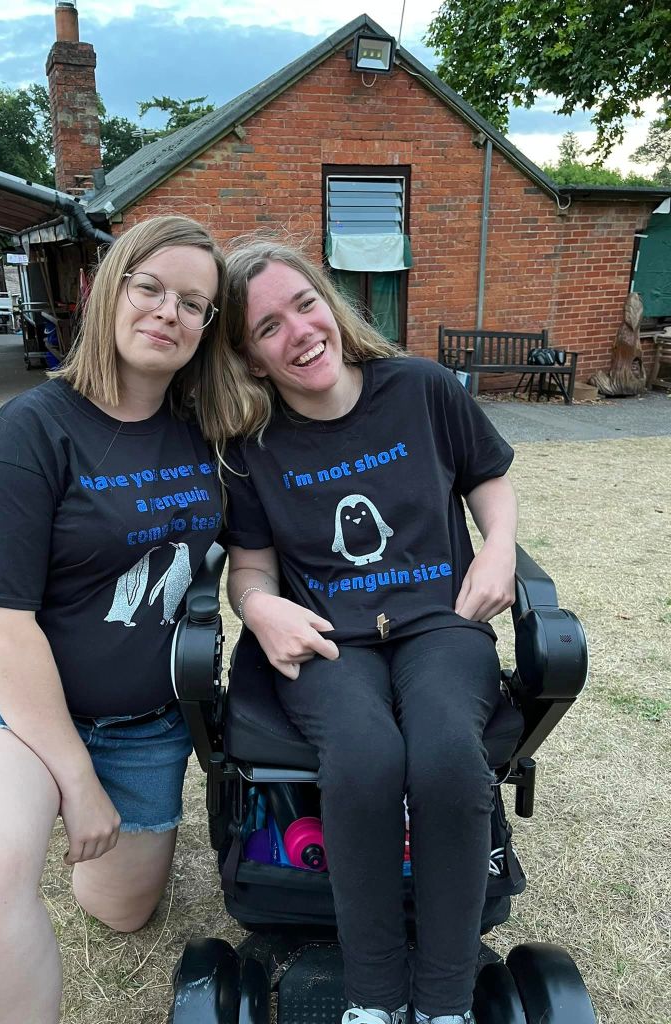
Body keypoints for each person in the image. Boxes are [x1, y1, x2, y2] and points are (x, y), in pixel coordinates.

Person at [0, 215, 226, 1024]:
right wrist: (76, 783)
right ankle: (21, 806)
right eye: (149, 287)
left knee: (121, 911)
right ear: (107, 289)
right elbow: (1, 625)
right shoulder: (33, 427)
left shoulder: (210, 432)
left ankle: (49, 820)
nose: (168, 311)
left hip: (144, 723)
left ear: (207, 326)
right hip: (3, 704)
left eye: (193, 303)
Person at [198, 239, 518, 1024]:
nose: (299, 332)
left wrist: (500, 549)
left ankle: (443, 1002)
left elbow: (488, 477)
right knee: (366, 757)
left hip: (441, 623)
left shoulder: (421, 388)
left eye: (304, 304)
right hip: (326, 638)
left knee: (446, 754)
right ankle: (373, 999)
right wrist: (259, 607)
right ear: (250, 358)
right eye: (267, 327)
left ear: (330, 304)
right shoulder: (252, 444)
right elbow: (251, 569)